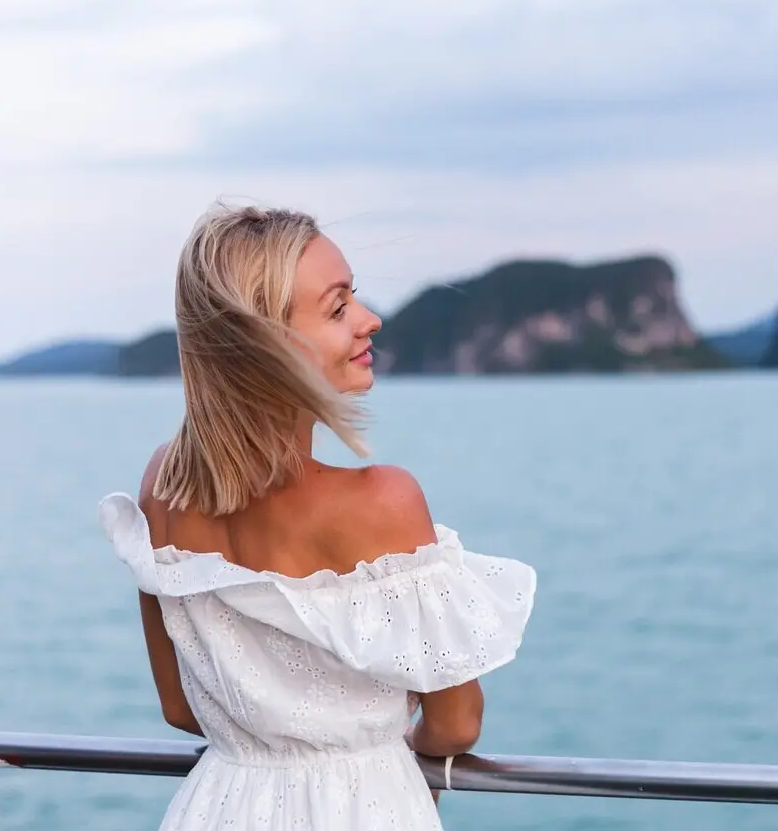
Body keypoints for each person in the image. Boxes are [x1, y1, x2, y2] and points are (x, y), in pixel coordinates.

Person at [98, 203, 536, 831]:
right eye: (337, 308)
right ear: (264, 344)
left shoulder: (161, 485)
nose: (370, 319)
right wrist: (376, 742)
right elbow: (456, 723)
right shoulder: (383, 501)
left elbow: (179, 707)